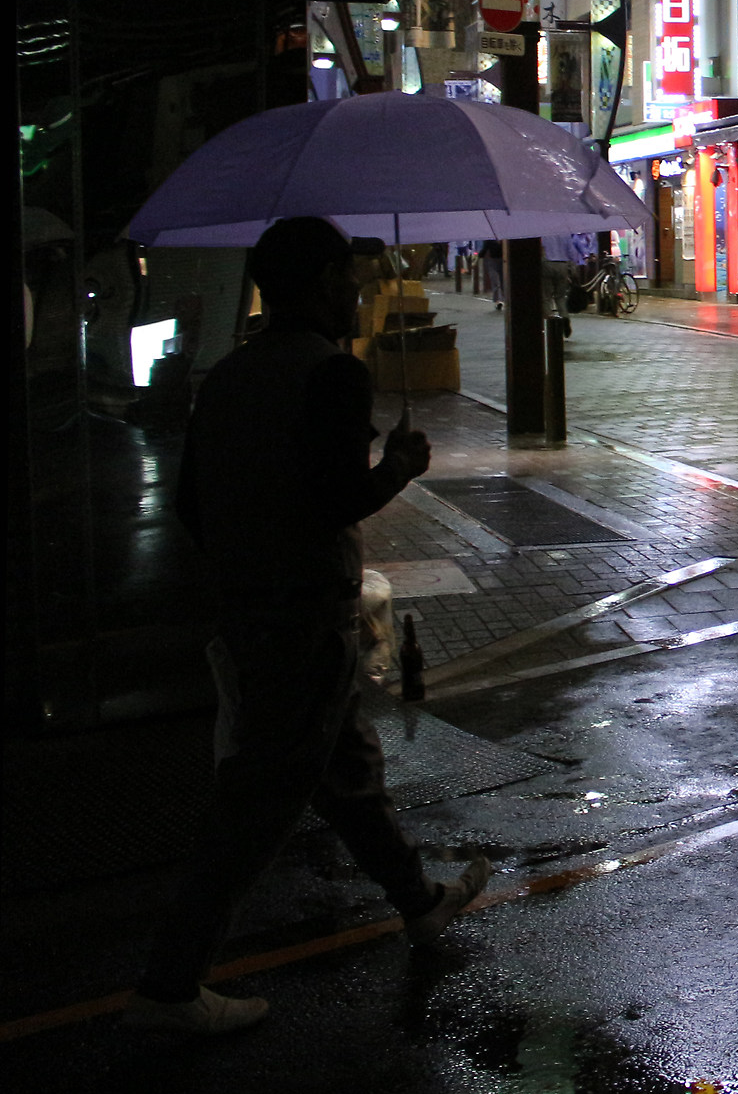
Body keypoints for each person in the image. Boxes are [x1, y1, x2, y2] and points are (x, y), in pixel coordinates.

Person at [127, 218, 486, 1036]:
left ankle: (420, 901)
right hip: (305, 620)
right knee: (256, 804)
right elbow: (339, 499)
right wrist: (401, 463)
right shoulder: (331, 374)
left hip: (251, 611)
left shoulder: (229, 374)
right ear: (323, 280)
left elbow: (191, 505)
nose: (358, 293)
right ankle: (168, 986)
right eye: (351, 278)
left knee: (347, 771)